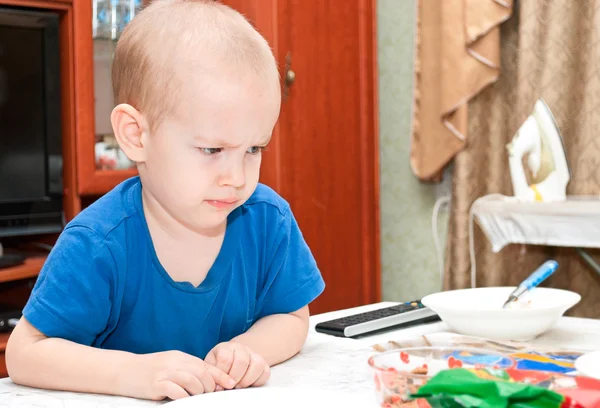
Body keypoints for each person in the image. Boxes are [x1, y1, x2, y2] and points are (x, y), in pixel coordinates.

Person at [5, 0, 325, 401]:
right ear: (136, 135)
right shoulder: (97, 242)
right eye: (212, 150)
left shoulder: (266, 219)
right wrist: (130, 373)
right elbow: (25, 353)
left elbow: (292, 316)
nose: (237, 178)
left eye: (254, 148)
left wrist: (248, 351)